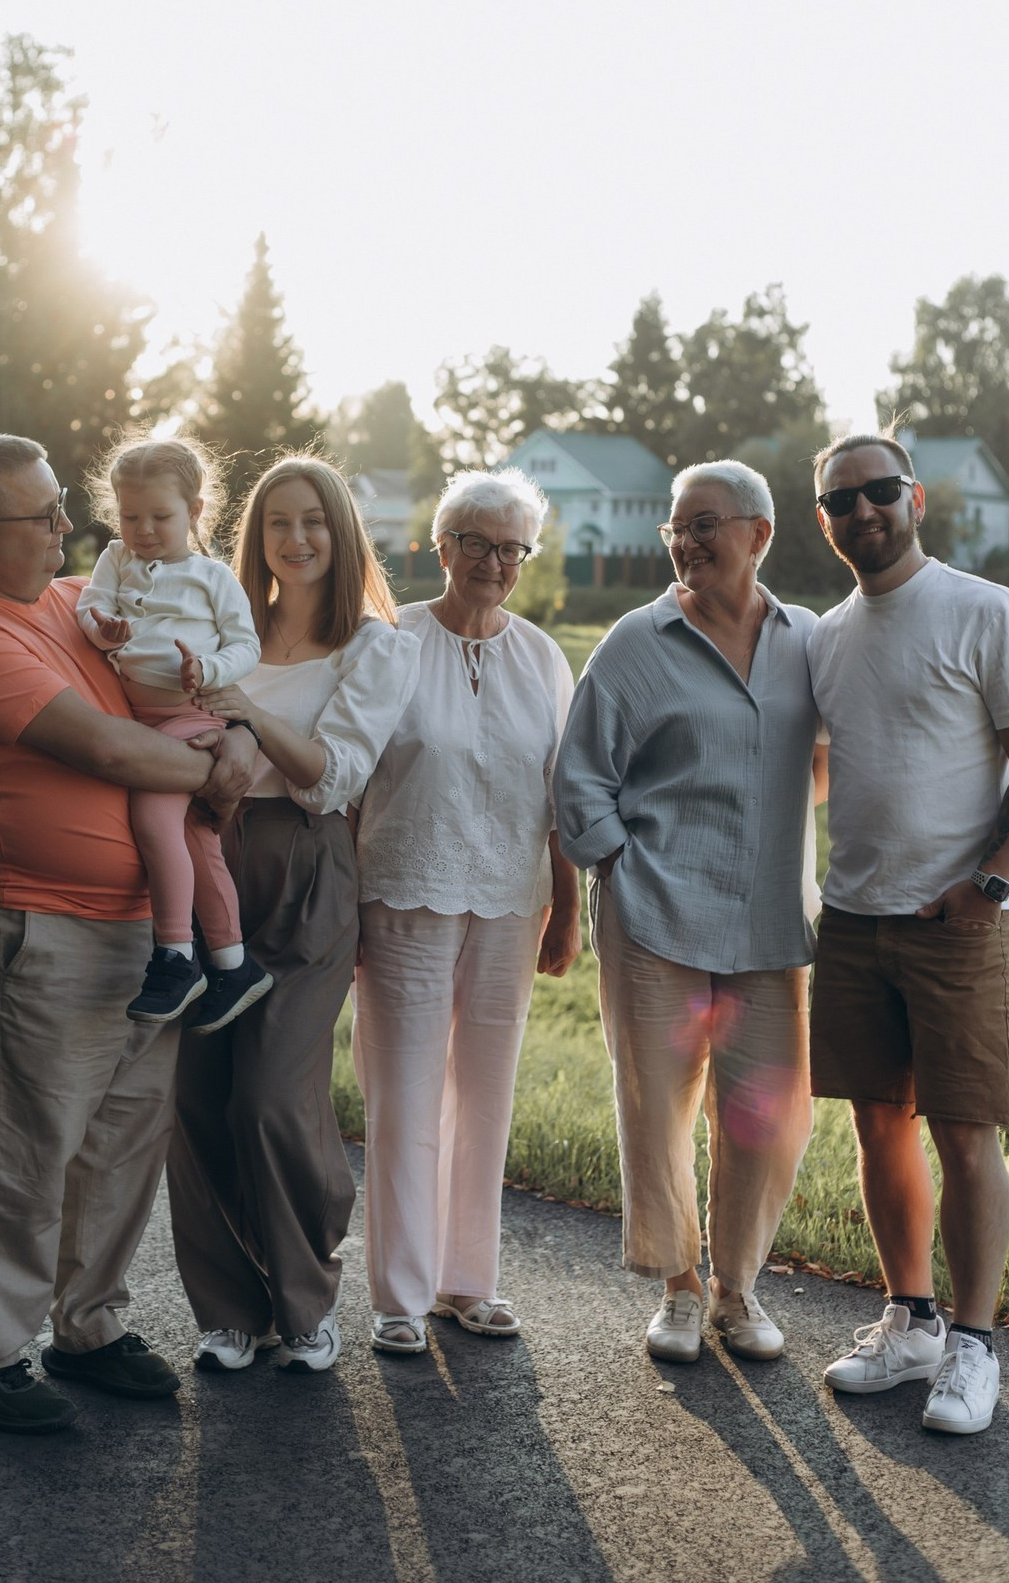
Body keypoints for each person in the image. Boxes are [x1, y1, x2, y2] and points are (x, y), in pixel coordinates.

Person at [0, 434, 258, 1433]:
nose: (70, 528)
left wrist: (233, 728)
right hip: (37, 931)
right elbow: (112, 746)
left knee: (119, 1143)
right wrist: (223, 768)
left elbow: (184, 691)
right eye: (45, 515)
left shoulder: (73, 604)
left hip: (146, 933)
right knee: (23, 1148)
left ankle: (90, 1328)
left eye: (65, 506)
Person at [808, 430, 1009, 1435]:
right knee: (876, 1124)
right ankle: (907, 1321)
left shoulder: (985, 612)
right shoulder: (824, 637)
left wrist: (989, 884)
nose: (860, 511)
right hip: (853, 920)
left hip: (953, 925)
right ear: (822, 520)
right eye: (839, 500)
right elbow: (834, 765)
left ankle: (972, 1346)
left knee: (963, 1135)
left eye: (875, 491)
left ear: (911, 496)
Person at [555, 460, 825, 1366]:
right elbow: (578, 777)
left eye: (704, 523)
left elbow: (838, 751)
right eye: (676, 526)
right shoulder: (638, 642)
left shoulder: (808, 641)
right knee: (658, 1109)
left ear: (760, 534)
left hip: (771, 925)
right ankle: (678, 1287)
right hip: (656, 919)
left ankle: (738, 1292)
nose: (684, 541)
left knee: (768, 1111)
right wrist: (619, 868)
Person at [166, 456, 421, 1374]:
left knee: (273, 1095)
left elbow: (334, 778)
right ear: (257, 536)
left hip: (307, 871)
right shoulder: (222, 631)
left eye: (314, 520)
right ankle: (230, 1308)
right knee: (193, 1095)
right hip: (204, 856)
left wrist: (243, 718)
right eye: (278, 522)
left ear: (342, 531)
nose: (297, 538)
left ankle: (305, 1286)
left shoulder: (376, 645)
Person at [352, 468, 580, 1354]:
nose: (494, 561)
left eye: (510, 547)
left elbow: (558, 792)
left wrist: (565, 909)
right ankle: (401, 1297)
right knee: (404, 1096)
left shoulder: (542, 657)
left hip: (509, 904)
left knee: (486, 1095)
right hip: (402, 892)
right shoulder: (392, 644)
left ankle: (466, 1282)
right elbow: (347, 782)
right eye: (476, 544)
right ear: (441, 549)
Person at [77, 434, 270, 1029]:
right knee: (195, 838)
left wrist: (205, 668)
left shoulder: (212, 577)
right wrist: (102, 631)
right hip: (135, 716)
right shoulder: (115, 559)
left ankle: (175, 954)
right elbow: (90, 606)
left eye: (160, 516)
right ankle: (234, 963)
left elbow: (247, 645)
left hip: (191, 717)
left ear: (195, 512)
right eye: (130, 515)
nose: (144, 529)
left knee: (155, 817)